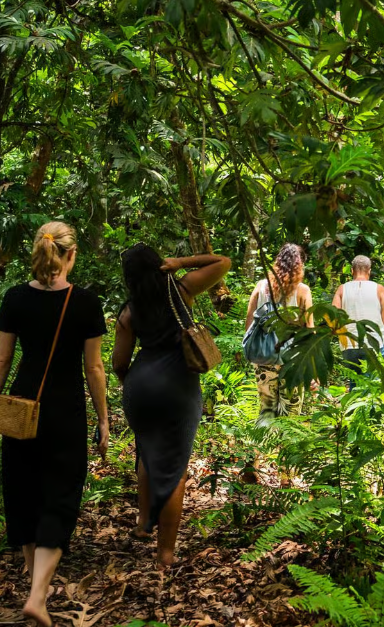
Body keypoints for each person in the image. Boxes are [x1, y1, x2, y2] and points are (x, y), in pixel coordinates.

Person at [0, 221, 109, 627]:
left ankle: (32, 578)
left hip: (21, 406)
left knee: (23, 489)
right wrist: (103, 419)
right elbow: (93, 368)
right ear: (71, 255)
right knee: (60, 494)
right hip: (64, 410)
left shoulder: (15, 298)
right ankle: (37, 595)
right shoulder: (86, 303)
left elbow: (2, 359)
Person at [112, 244, 230, 570]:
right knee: (174, 469)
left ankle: (142, 523)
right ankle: (165, 554)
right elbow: (223, 260)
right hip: (178, 386)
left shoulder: (128, 312)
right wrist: (181, 262)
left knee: (147, 450)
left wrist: (134, 384)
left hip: (140, 388)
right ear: (159, 266)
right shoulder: (182, 289)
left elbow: (119, 363)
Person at [244, 243, 313, 423]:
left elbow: (249, 324)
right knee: (290, 415)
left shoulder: (261, 286)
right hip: (292, 360)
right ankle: (285, 442)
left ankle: (264, 441)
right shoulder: (303, 291)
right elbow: (309, 329)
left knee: (267, 410)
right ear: (300, 265)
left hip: (264, 358)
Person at [332, 255, 384, 384]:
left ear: (352, 271)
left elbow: (333, 317)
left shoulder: (342, 289)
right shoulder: (378, 289)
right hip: (374, 343)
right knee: (373, 386)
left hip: (349, 344)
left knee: (355, 383)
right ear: (369, 271)